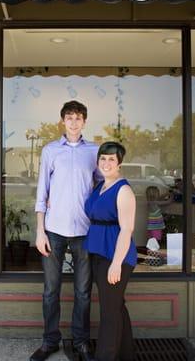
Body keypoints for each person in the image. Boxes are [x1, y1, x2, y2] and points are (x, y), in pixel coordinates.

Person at [30, 101, 101, 361]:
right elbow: (41, 193)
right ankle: (50, 342)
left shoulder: (94, 151)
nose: (73, 122)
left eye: (78, 117)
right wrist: (40, 231)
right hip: (53, 231)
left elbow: (104, 187)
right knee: (51, 290)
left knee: (83, 291)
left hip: (84, 231)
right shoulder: (50, 151)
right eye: (69, 117)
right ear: (62, 121)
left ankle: (81, 342)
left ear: (84, 122)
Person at [83, 141, 137, 361]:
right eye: (103, 158)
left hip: (115, 257)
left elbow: (127, 230)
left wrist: (116, 263)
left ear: (119, 163)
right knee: (116, 307)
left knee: (109, 312)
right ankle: (126, 355)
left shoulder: (123, 190)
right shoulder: (100, 186)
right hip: (98, 253)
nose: (106, 163)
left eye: (111, 159)